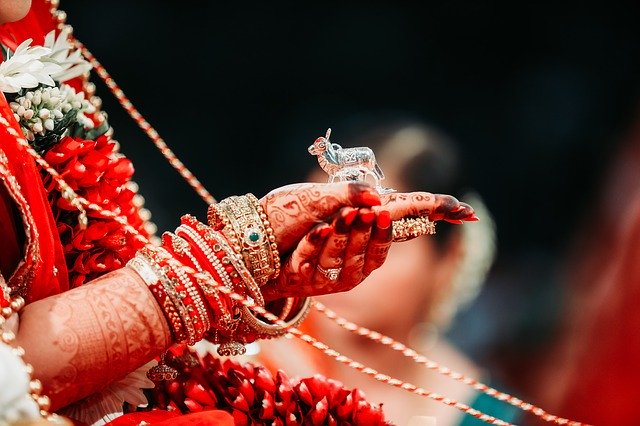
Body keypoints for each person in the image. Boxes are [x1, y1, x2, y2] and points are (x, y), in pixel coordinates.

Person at [0, 1, 477, 425]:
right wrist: (232, 259)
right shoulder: (277, 362)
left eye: (397, 248)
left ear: (449, 260)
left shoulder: (28, 36)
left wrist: (245, 271)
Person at [258, 120, 522, 425]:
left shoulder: (481, 415)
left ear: (450, 255)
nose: (339, 260)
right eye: (324, 231)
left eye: (380, 241)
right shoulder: (249, 357)